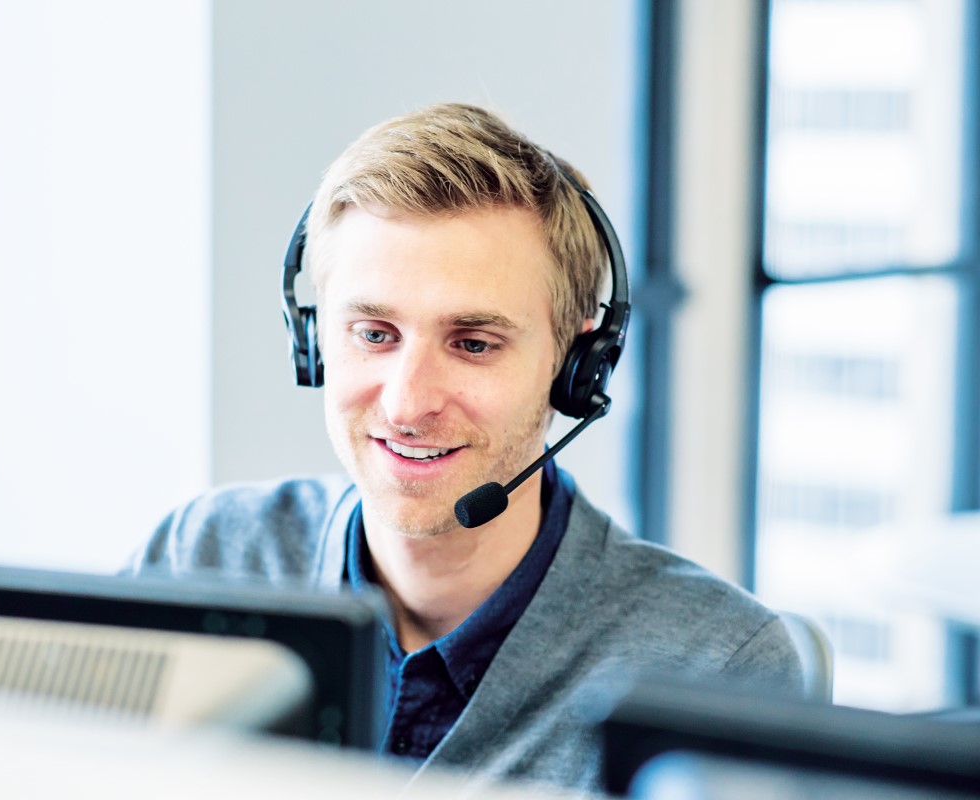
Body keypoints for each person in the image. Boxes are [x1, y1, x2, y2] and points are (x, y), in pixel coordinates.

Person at [129, 103, 803, 793]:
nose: (406, 404)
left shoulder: (716, 665)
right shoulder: (203, 558)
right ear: (312, 341)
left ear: (577, 364)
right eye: (373, 333)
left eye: (473, 344)